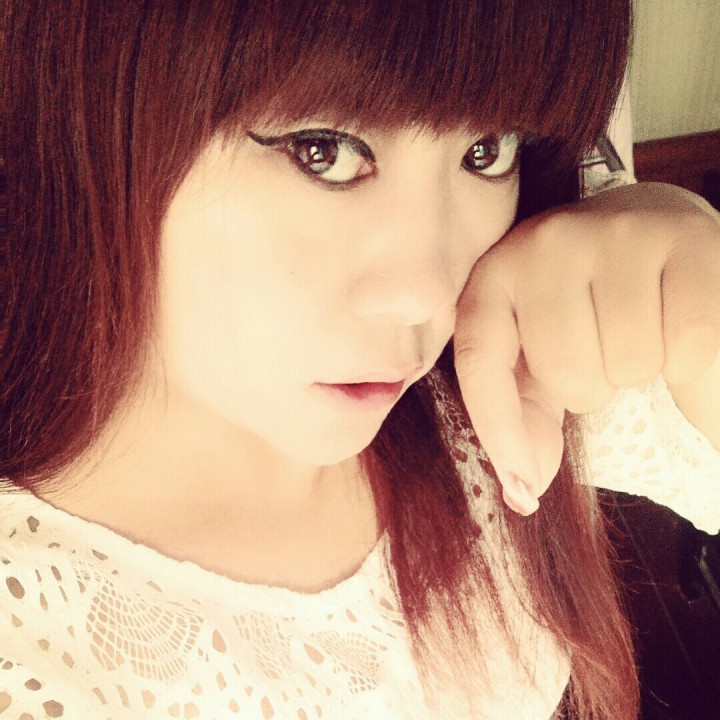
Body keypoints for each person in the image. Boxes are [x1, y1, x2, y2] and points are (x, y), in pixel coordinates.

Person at [0, 1, 719, 718]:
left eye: (487, 151)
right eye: (323, 150)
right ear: (81, 108)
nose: (428, 294)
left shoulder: (499, 388)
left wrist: (692, 255)